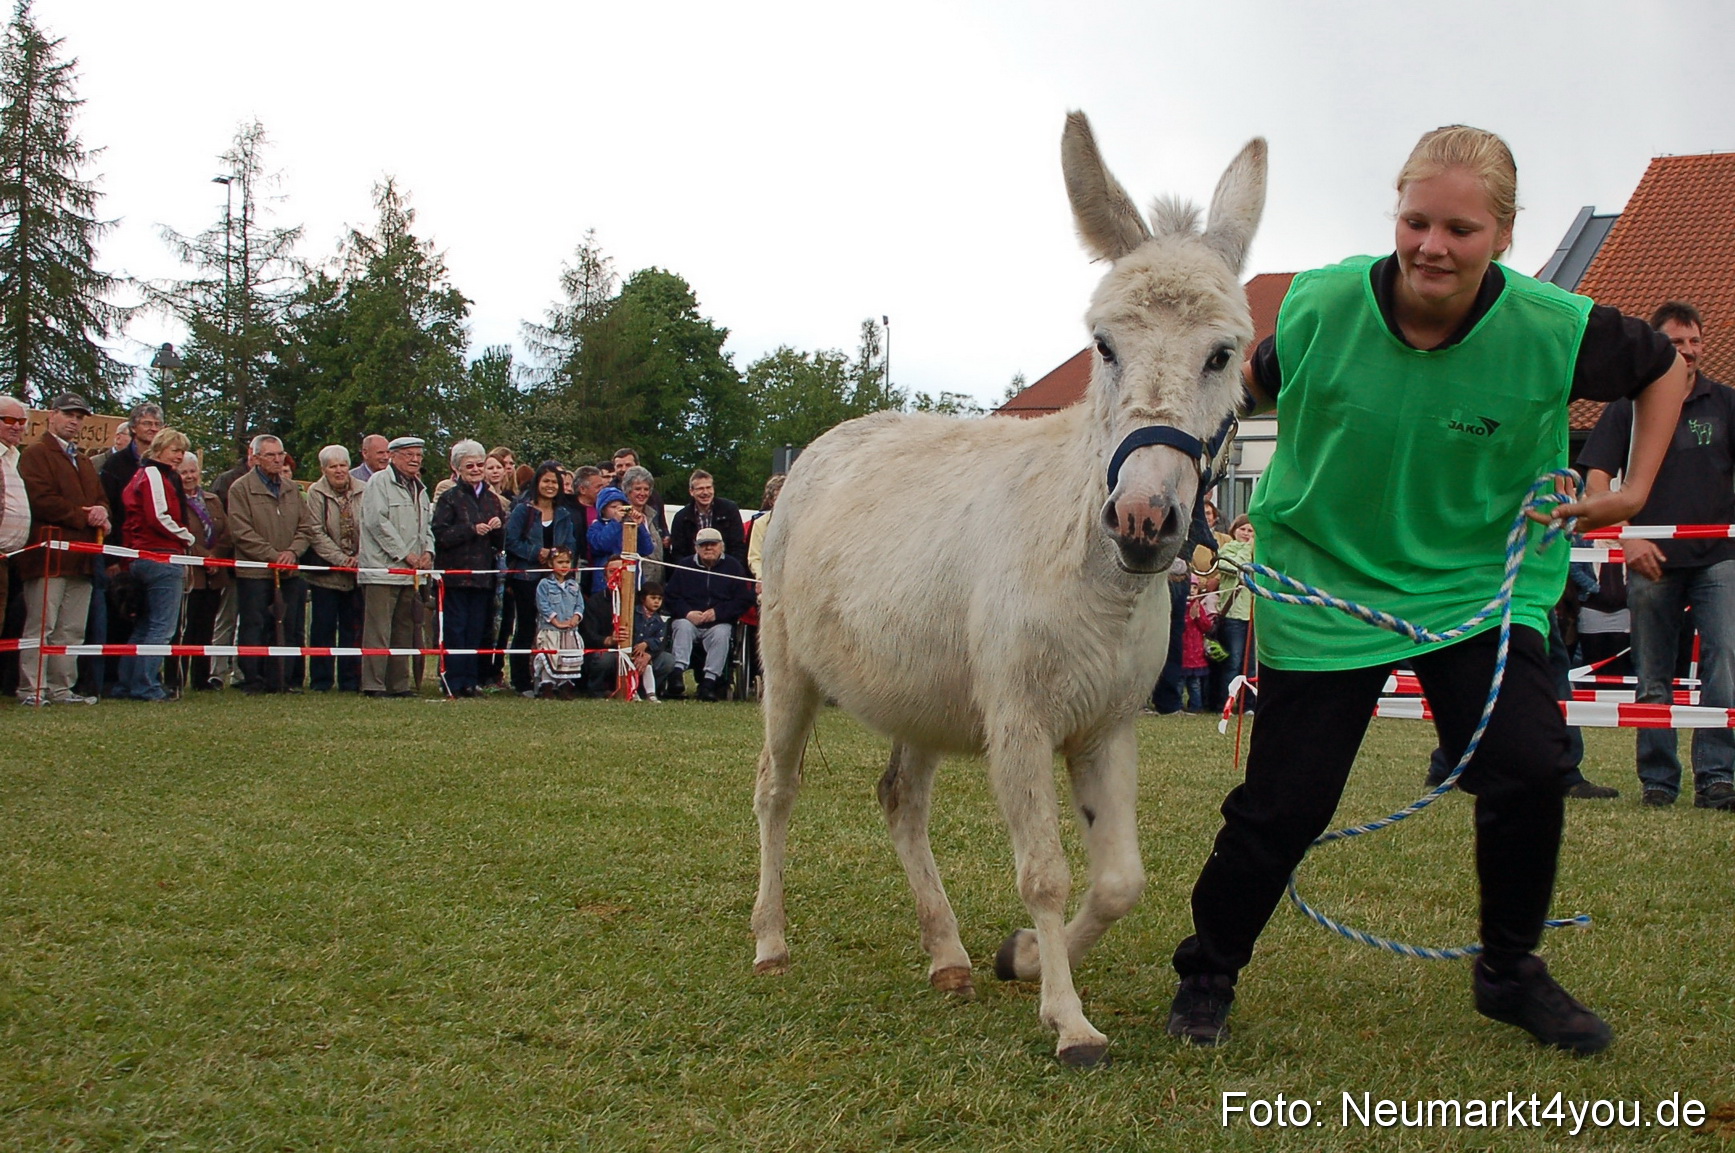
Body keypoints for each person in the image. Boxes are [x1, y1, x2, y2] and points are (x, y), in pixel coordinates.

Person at [1164, 125, 1690, 1058]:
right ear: (1394, 216)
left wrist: (1636, 490)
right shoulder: (1323, 304)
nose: (1431, 247)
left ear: (1505, 235)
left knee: (1530, 766)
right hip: (1326, 582)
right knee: (1284, 803)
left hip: (1477, 588)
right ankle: (1207, 969)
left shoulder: (1555, 327)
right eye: (1415, 221)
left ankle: (1508, 970)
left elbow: (1662, 368)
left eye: (1460, 228)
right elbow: (1241, 387)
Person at [1580, 301, 1735, 812]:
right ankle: (1658, 781)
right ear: (1656, 349)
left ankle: (1717, 777)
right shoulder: (1627, 406)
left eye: (1695, 342)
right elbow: (1596, 477)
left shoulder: (1725, 403)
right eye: (1675, 344)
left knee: (1725, 663)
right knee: (1652, 673)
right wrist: (1626, 535)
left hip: (1719, 557)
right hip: (1648, 557)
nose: (1688, 352)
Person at [16, 393, 110, 706]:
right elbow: (40, 499)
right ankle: (32, 689)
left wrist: (101, 512)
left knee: (71, 629)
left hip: (81, 557)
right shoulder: (35, 453)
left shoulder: (83, 459)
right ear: (52, 415)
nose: (75, 421)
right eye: (69, 414)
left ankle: (60, 688)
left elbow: (100, 497)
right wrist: (85, 515)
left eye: (80, 416)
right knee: (41, 625)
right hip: (48, 556)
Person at [225, 435, 314, 694]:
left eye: (280, 455)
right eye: (271, 455)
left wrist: (292, 553)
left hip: (289, 571)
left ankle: (281, 679)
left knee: (287, 624)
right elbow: (241, 532)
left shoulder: (292, 489)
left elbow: (306, 527)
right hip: (254, 572)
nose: (277, 460)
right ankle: (252, 679)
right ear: (255, 458)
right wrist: (273, 556)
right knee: (254, 624)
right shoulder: (240, 489)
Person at [117, 428, 196, 701]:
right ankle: (145, 685)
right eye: (175, 450)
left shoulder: (142, 475)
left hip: (142, 556)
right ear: (159, 449)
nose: (179, 456)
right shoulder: (153, 474)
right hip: (160, 556)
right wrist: (187, 537)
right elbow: (158, 516)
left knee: (146, 625)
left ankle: (129, 683)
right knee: (162, 627)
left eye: (182, 451)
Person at [357, 436, 433, 697]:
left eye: (419, 455)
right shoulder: (379, 482)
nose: (415, 460)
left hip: (411, 574)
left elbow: (427, 527)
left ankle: (399, 684)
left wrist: (427, 553)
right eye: (409, 454)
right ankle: (373, 684)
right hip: (382, 570)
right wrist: (405, 555)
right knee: (379, 629)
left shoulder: (420, 488)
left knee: (405, 629)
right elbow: (377, 523)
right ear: (393, 456)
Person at [431, 439, 505, 698]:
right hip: (456, 576)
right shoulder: (449, 498)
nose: (476, 469)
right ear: (457, 469)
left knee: (477, 630)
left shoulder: (492, 500)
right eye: (469, 465)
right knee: (456, 629)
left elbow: (500, 543)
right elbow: (440, 534)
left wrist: (498, 528)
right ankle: (452, 679)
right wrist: (471, 530)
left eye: (479, 464)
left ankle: (472, 680)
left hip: (483, 576)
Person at [504, 462, 578, 695]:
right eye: (545, 481)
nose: (550, 486)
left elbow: (572, 544)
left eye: (554, 482)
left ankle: (555, 679)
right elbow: (511, 542)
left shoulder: (564, 514)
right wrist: (537, 552)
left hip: (555, 579)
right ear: (537, 483)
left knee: (555, 628)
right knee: (526, 628)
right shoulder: (522, 511)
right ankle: (521, 681)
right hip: (526, 578)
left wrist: (563, 558)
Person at [663, 526, 753, 700]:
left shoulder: (733, 567)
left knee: (722, 633)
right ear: (696, 547)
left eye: (713, 544)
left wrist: (717, 613)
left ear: (721, 546)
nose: (708, 548)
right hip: (689, 620)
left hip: (718, 622)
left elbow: (742, 600)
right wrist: (688, 613)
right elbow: (671, 597)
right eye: (703, 545)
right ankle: (676, 676)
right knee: (682, 627)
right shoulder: (685, 566)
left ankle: (709, 683)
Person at [304, 445, 365, 693]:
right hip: (326, 574)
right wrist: (340, 559)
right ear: (323, 470)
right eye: (333, 466)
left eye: (342, 465)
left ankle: (350, 680)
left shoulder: (365, 489)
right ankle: (321, 680)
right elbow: (315, 532)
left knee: (353, 628)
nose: (339, 471)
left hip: (357, 573)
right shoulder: (315, 493)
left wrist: (361, 556)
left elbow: (371, 524)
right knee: (323, 628)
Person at [174, 452, 231, 693]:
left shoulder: (212, 500)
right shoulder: (174, 502)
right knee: (184, 630)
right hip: (189, 574)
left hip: (214, 576)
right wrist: (202, 557)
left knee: (206, 628)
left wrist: (215, 556)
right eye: (184, 472)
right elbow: (179, 533)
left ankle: (201, 678)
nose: (189, 476)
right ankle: (176, 677)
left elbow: (226, 533)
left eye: (192, 471)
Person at [1213, 515, 1257, 713]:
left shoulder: (1259, 553)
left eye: (1251, 531)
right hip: (1233, 615)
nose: (1247, 534)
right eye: (1243, 530)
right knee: (1233, 663)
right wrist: (1249, 547)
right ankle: (1225, 703)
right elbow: (1234, 568)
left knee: (1250, 666)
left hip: (1254, 615)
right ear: (1234, 530)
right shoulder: (1227, 550)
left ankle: (1248, 705)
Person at [532, 546, 586, 698]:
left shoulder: (574, 586)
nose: (564, 566)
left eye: (567, 562)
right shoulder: (544, 584)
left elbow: (580, 604)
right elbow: (543, 605)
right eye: (560, 562)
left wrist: (575, 617)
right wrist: (556, 621)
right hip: (551, 630)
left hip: (569, 631)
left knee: (568, 658)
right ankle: (547, 686)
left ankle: (564, 686)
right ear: (551, 564)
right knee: (551, 657)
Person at [0, 396, 30, 650]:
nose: (17, 426)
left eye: (21, 421)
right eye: (9, 420)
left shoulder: (14, 456)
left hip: (11, 557)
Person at [585, 486, 654, 593]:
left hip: (631, 581)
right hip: (605, 584)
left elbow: (647, 549)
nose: (619, 510)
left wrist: (640, 526)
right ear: (603, 509)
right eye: (613, 507)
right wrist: (615, 522)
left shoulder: (629, 525)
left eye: (622, 506)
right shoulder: (596, 527)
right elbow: (602, 545)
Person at [668, 469, 745, 561]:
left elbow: (738, 546)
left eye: (709, 487)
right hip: (693, 570)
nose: (705, 492)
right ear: (691, 491)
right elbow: (678, 552)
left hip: (726, 568)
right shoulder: (681, 517)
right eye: (700, 488)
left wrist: (729, 568)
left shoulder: (730, 510)